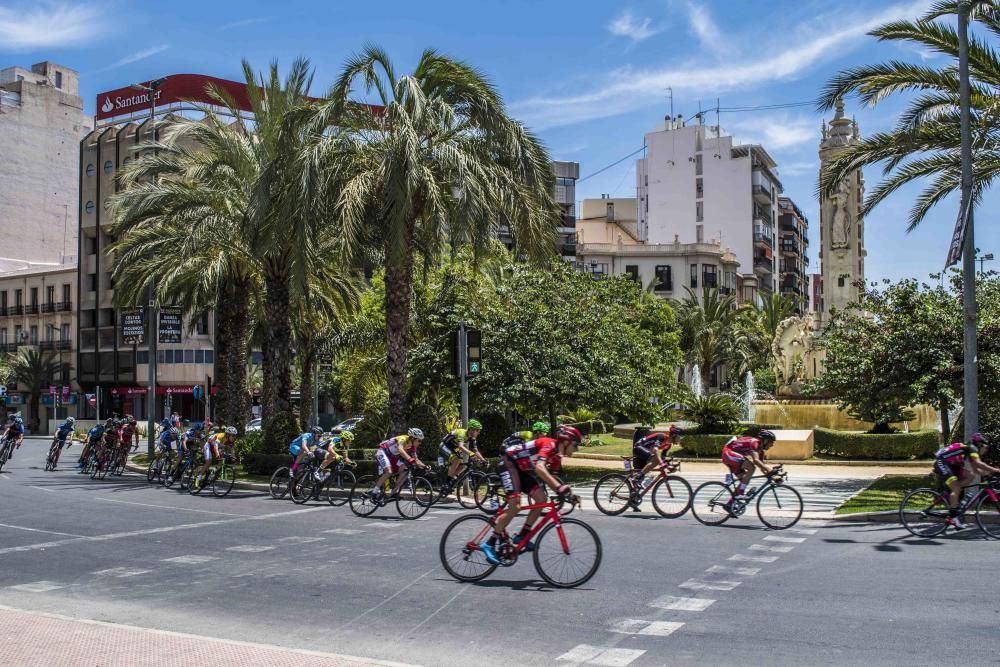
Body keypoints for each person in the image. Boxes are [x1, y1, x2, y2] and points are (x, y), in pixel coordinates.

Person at [479, 426, 582, 565]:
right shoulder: (549, 444)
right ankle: (489, 543)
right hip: (508, 463)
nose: (577, 449)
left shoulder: (557, 457)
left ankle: (522, 536)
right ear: (566, 441)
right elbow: (540, 468)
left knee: (541, 499)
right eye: (576, 445)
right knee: (515, 505)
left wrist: (569, 494)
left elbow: (553, 480)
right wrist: (559, 488)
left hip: (521, 470)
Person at [934, 433, 1000, 529]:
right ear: (980, 444)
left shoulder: (970, 449)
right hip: (942, 461)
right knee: (956, 487)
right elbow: (978, 463)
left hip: (951, 464)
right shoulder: (972, 448)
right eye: (986, 447)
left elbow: (976, 469)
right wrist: (995, 470)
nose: (986, 450)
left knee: (970, 476)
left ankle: (952, 495)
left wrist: (989, 474)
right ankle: (953, 518)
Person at [628, 425, 683, 510]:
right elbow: (655, 450)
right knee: (655, 459)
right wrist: (661, 463)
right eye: (679, 437)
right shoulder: (661, 437)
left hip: (645, 453)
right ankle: (638, 477)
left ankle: (633, 501)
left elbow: (663, 458)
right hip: (639, 447)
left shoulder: (668, 445)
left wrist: (669, 467)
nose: (680, 439)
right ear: (674, 435)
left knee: (640, 481)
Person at [721, 429, 778, 503]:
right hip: (728, 453)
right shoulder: (755, 443)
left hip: (733, 457)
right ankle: (740, 493)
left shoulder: (760, 451)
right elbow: (756, 461)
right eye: (771, 442)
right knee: (751, 467)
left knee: (744, 481)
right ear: (765, 440)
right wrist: (769, 469)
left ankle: (730, 504)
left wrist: (774, 477)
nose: (772, 445)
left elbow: (762, 468)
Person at [369, 428, 426, 500]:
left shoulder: (412, 447)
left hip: (392, 456)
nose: (420, 443)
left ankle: (393, 492)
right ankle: (374, 492)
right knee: (389, 472)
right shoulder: (403, 439)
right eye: (419, 441)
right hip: (382, 452)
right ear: (412, 438)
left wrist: (425, 466)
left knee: (405, 470)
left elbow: (416, 460)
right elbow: (400, 449)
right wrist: (410, 459)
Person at [193, 426, 238, 490]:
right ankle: (198, 477)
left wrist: (234, 457)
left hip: (218, 448)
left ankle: (214, 473)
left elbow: (232, 450)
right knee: (209, 461)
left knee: (222, 458)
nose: (234, 437)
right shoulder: (220, 436)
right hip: (209, 446)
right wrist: (217, 455)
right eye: (232, 435)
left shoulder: (231, 441)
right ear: (227, 435)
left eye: (235, 436)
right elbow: (215, 446)